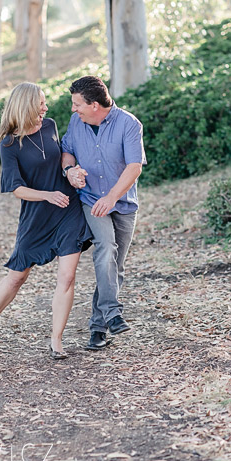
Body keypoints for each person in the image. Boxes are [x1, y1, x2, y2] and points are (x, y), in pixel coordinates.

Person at [0, 82, 92, 359]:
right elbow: (15, 188)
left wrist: (70, 171)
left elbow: (65, 154)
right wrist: (46, 195)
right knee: (17, 277)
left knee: (68, 276)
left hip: (67, 209)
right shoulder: (9, 143)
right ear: (27, 104)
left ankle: (56, 340)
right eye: (41, 103)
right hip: (37, 216)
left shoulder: (50, 126)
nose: (46, 108)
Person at [60, 76, 146, 351]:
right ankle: (113, 313)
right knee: (106, 246)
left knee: (115, 266)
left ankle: (98, 327)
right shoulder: (77, 123)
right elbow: (67, 151)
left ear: (94, 105)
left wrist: (111, 198)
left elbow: (134, 167)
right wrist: (69, 171)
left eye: (77, 104)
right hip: (90, 200)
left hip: (122, 204)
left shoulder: (129, 124)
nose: (74, 110)